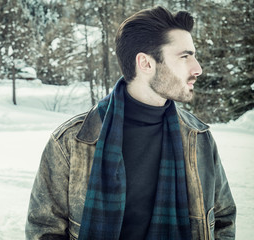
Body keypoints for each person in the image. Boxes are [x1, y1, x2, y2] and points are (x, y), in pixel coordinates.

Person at [25, 6, 236, 240]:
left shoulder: (198, 137)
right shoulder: (71, 141)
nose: (197, 69)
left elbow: (223, 219)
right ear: (145, 63)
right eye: (184, 56)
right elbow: (44, 230)